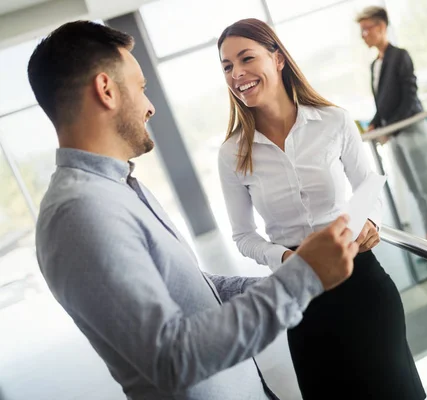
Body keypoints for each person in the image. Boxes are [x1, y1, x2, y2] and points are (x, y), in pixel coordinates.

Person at [30, 20, 360, 400]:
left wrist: (302, 281)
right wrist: (301, 277)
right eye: (140, 88)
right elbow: (171, 359)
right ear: (106, 90)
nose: (150, 106)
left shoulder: (116, 189)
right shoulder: (78, 214)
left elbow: (194, 291)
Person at [217, 18, 426, 399]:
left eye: (246, 58)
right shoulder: (232, 152)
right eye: (227, 66)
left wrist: (371, 221)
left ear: (277, 59)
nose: (237, 73)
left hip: (362, 285)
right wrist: (284, 257)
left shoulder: (333, 120)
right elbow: (243, 236)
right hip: (300, 297)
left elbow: (368, 184)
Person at [357, 6, 427, 248]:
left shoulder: (401, 56)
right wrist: (376, 123)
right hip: (395, 134)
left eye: (367, 29)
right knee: (413, 187)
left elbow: (410, 98)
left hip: (411, 129)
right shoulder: (374, 64)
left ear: (381, 27)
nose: (363, 34)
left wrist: (390, 130)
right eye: (362, 30)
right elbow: (383, 101)